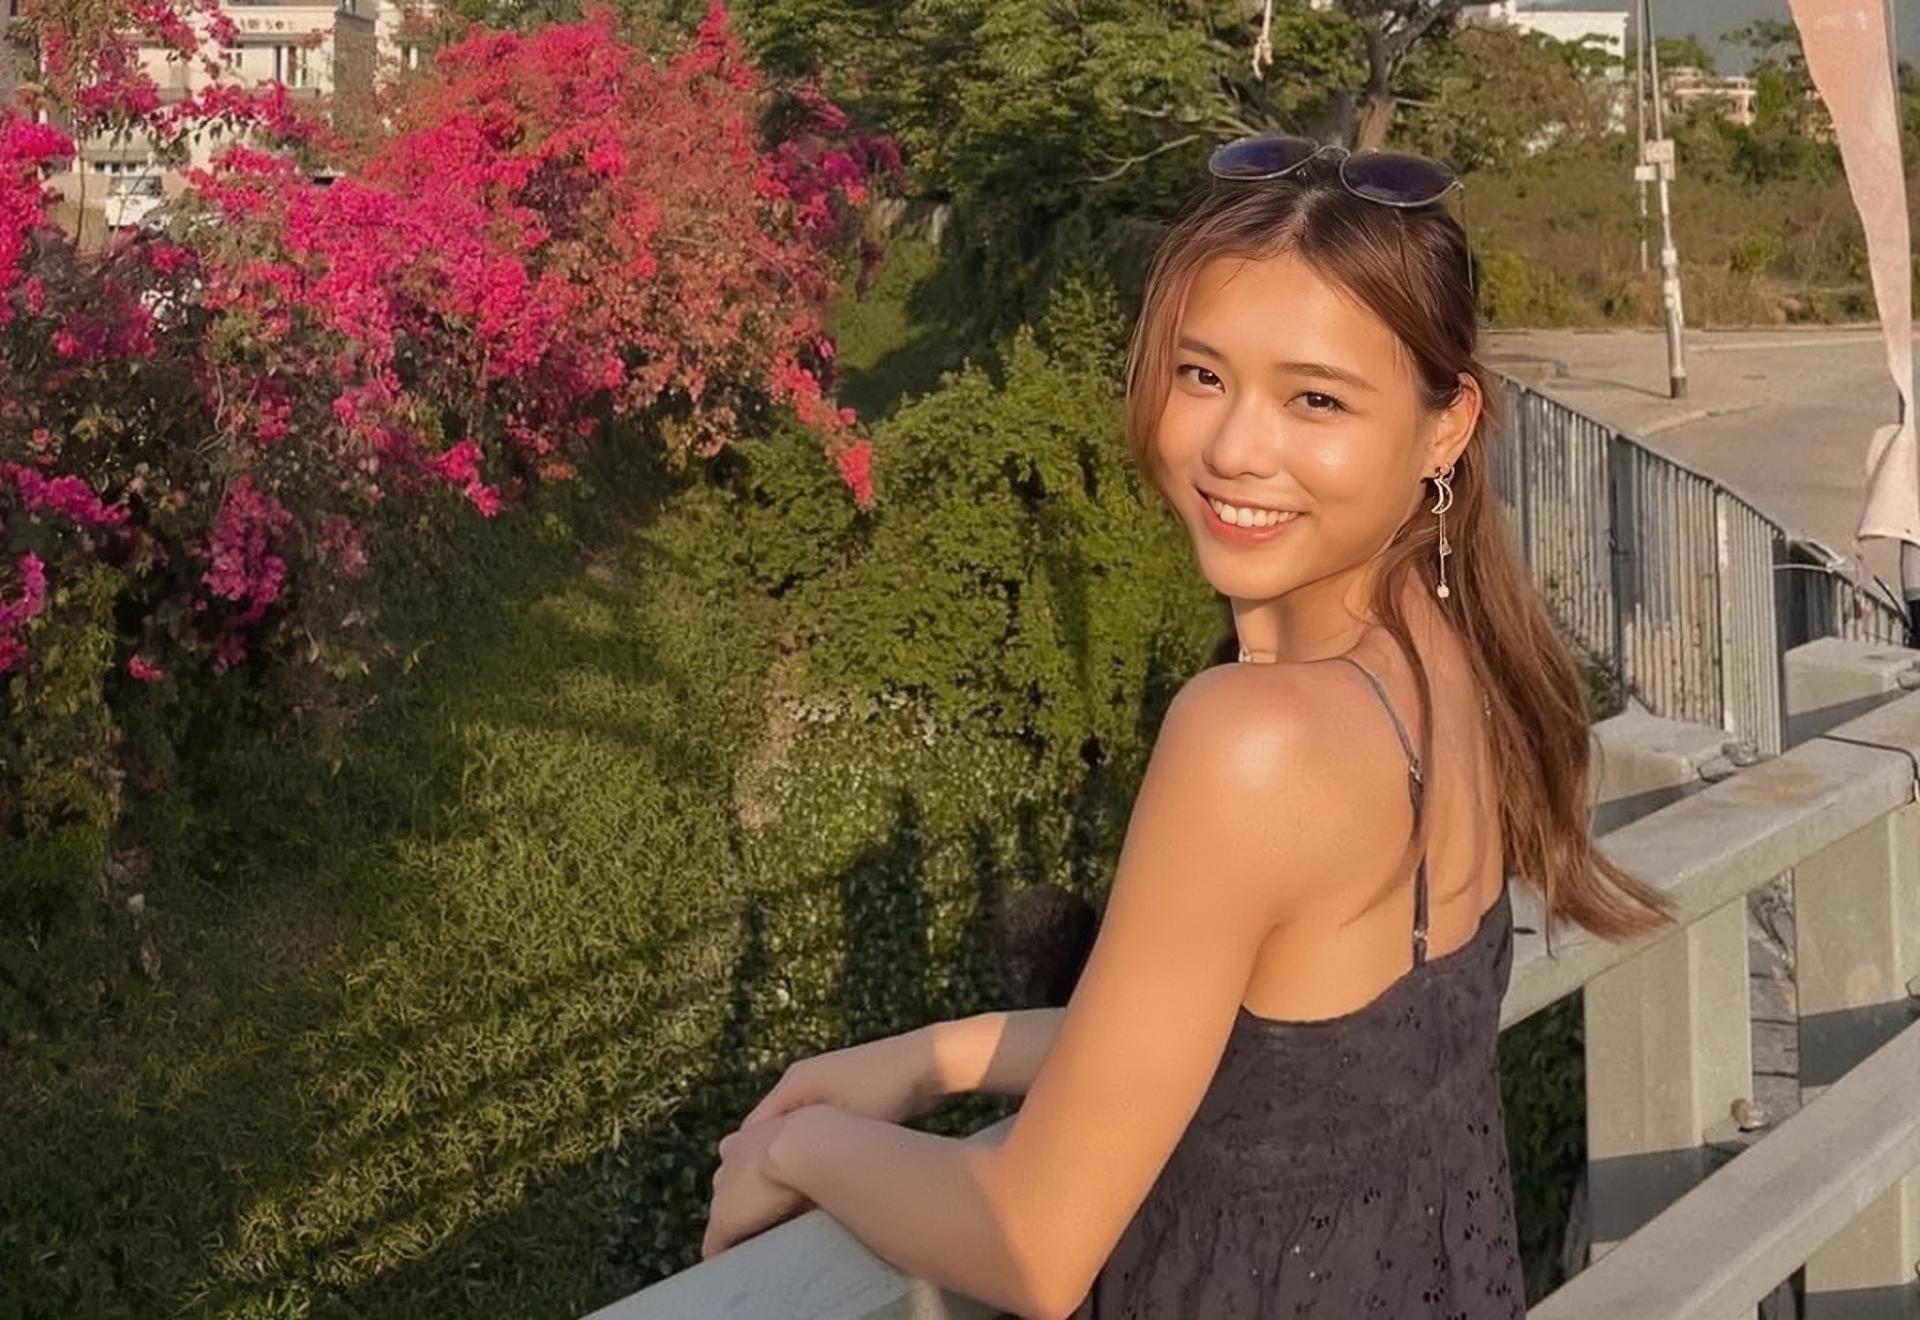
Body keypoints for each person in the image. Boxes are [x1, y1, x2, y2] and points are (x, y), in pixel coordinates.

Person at [699, 135, 1676, 1318]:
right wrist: (928, 1059)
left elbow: (1033, 1247)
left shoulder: (1254, 740)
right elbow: (1277, 1052)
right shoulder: (1453, 658)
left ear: (1445, 426)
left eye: (1315, 399)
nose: (1232, 448)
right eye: (1202, 375)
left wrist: (795, 1149)